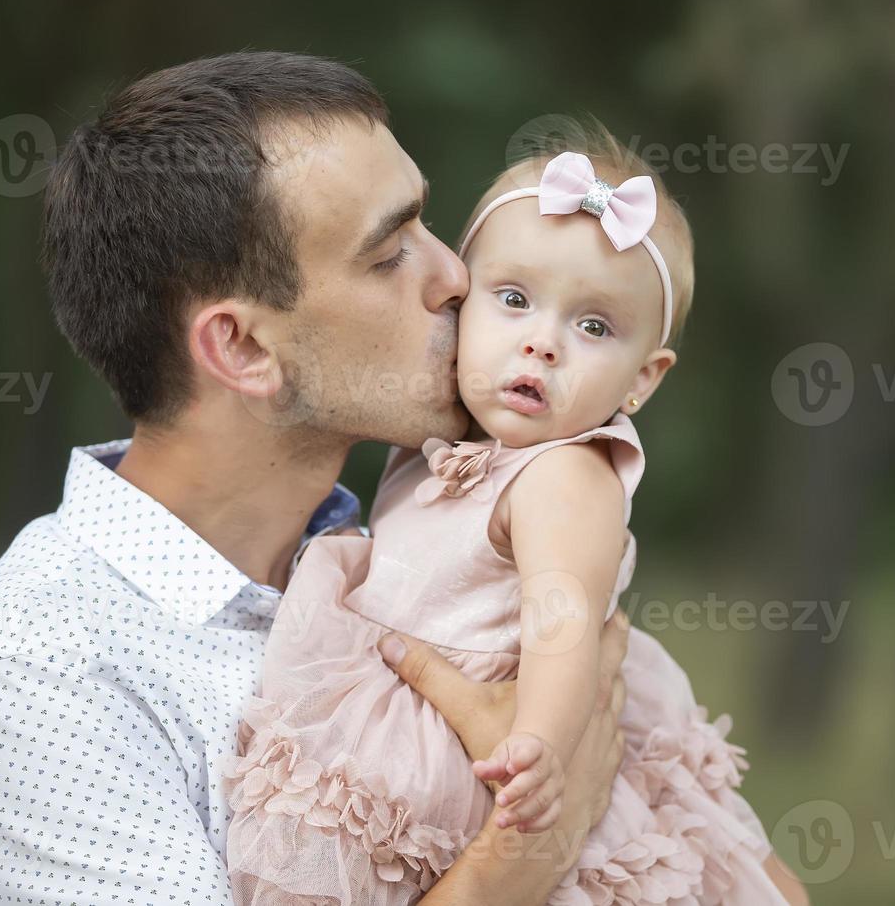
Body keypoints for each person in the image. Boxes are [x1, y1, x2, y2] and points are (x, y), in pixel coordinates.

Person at [0, 51, 630, 906]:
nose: (457, 278)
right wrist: (526, 853)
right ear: (242, 348)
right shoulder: (37, 672)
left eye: (429, 227)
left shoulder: (437, 563)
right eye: (391, 253)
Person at [224, 128, 808, 905]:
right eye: (514, 300)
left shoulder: (566, 473)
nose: (542, 343)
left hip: (500, 742)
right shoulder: (441, 447)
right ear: (463, 306)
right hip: (416, 725)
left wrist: (539, 746)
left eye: (593, 326)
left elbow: (561, 620)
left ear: (642, 381)